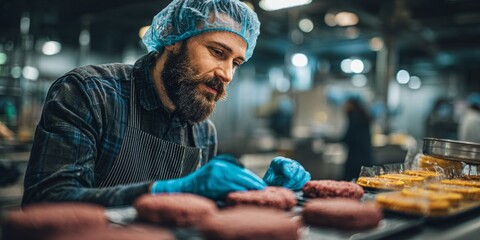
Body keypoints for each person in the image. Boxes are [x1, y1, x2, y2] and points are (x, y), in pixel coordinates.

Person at [22, 0, 310, 207]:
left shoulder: (202, 132)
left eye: (236, 62)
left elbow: (201, 209)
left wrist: (259, 192)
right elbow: (47, 201)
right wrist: (163, 191)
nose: (227, 74)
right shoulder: (90, 93)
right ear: (174, 39)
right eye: (217, 52)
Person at [341, 96, 374, 181]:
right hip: (366, 155)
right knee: (365, 182)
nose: (344, 107)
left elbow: (349, 137)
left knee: (352, 182)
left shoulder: (354, 117)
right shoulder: (363, 116)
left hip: (355, 158)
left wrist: (338, 140)